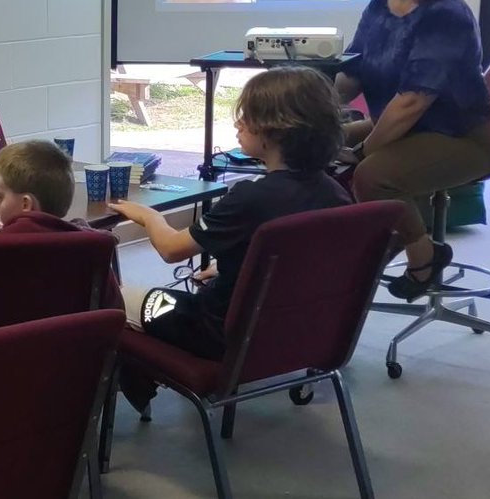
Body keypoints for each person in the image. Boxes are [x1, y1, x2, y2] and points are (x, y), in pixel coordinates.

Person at [109, 68, 350, 407]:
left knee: (111, 297)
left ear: (274, 130)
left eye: (245, 118)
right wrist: (233, 272)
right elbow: (305, 263)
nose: (237, 125)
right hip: (296, 333)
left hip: (218, 334)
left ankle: (136, 375)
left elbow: (170, 249)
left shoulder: (249, 198)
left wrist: (149, 216)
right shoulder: (336, 194)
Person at [335, 0, 490, 300]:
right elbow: (353, 71)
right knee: (321, 142)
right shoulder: (382, 4)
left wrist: (365, 150)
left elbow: (412, 101)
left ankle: (424, 256)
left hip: (464, 136)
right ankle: (354, 250)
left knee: (373, 174)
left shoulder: (446, 15)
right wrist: (314, 104)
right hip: (409, 126)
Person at [0, 140, 124, 312]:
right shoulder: (92, 248)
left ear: (26, 204)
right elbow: (115, 312)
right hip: (80, 338)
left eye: (0, 197)